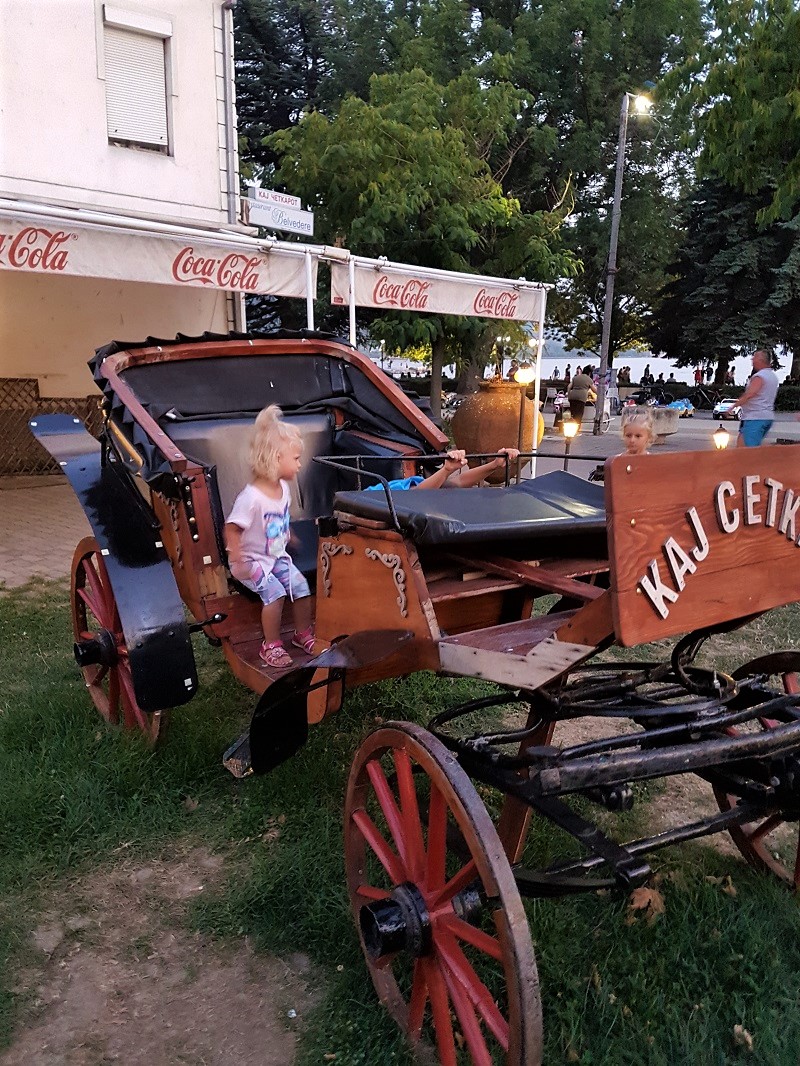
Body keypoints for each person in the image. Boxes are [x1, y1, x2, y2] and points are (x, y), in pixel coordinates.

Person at [224, 405, 314, 669]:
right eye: (296, 458)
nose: (299, 464)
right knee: (275, 593)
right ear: (276, 458)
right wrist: (237, 557)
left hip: (275, 556)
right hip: (250, 560)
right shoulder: (251, 498)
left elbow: (279, 518)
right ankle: (271, 645)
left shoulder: (283, 488)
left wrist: (289, 535)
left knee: (300, 586)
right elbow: (232, 528)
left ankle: (302, 633)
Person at [365, 448, 521, 491]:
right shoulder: (377, 492)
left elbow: (459, 482)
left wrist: (494, 464)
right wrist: (446, 470)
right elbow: (417, 495)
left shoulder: (406, 484)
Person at [737, 349, 778, 447]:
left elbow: (750, 394)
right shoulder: (772, 376)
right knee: (741, 446)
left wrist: (733, 406)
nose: (752, 359)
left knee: (749, 451)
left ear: (761, 360)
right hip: (764, 416)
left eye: (754, 357)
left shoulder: (760, 376)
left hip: (755, 417)